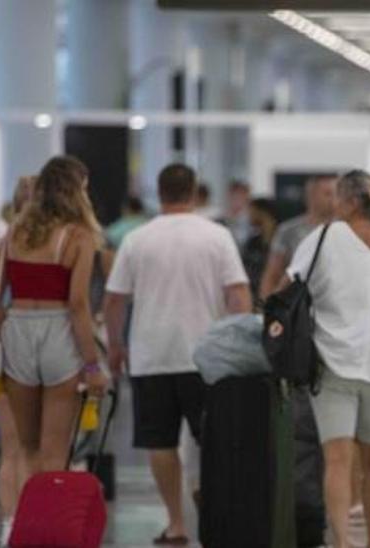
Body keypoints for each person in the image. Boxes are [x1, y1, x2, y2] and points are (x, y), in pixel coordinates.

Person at [104, 163, 251, 546]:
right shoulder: (216, 236)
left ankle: (176, 524)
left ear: (160, 191)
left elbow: (114, 299)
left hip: (152, 355)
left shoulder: (138, 239)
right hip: (210, 359)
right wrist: (243, 345)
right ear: (193, 191)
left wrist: (115, 346)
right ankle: (216, 517)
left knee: (160, 442)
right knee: (215, 442)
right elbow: (238, 294)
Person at [0, 156, 110, 542]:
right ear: (76, 190)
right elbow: (77, 304)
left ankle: (22, 531)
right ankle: (51, 536)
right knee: (57, 453)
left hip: (17, 331)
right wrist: (92, 366)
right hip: (57, 333)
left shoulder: (15, 234)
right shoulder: (78, 237)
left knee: (27, 446)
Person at [285, 170, 370, 548]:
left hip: (332, 363)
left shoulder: (324, 238)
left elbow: (291, 287)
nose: (333, 206)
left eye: (338, 198)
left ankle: (341, 540)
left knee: (337, 459)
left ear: (352, 202)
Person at [258, 175, 336, 301]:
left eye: (337, 194)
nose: (334, 199)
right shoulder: (289, 231)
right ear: (312, 196)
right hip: (297, 304)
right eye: (328, 194)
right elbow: (272, 273)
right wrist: (268, 307)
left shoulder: (347, 231)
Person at [240, 198, 277, 299]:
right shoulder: (253, 242)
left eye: (251, 211)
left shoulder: (282, 240)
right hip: (254, 298)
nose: (248, 215)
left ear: (261, 212)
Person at [219, 180, 254, 248]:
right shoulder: (220, 220)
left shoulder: (252, 221)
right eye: (234, 196)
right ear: (229, 196)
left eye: (241, 196)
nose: (237, 200)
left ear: (247, 197)